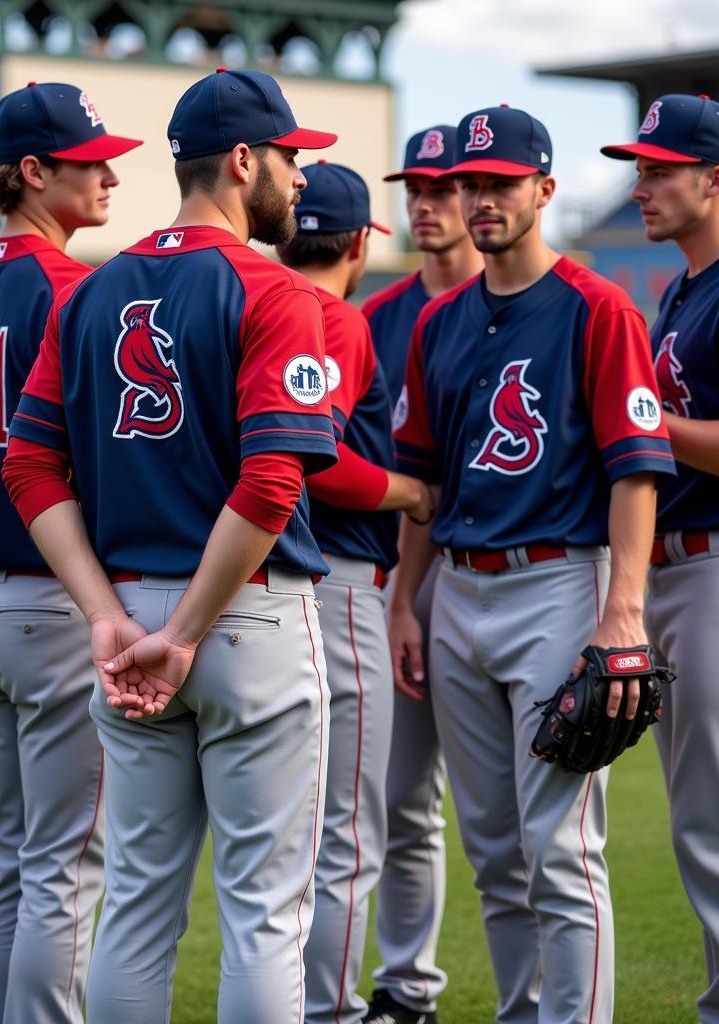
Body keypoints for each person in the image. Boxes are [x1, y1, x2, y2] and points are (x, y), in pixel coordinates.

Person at [3, 66, 339, 1024]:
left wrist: (108, 616)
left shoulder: (95, 289)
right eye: (288, 158)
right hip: (244, 613)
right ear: (243, 162)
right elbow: (275, 480)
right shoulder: (273, 288)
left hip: (129, 614)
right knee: (265, 915)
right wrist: (185, 632)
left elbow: (28, 469)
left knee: (139, 902)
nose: (300, 179)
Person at [392, 105, 675, 1024]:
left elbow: (636, 470)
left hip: (558, 583)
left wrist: (622, 612)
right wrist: (406, 600)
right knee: (495, 852)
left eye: (499, 183)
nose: (479, 200)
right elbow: (425, 482)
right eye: (468, 184)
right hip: (457, 590)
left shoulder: (597, 309)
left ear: (543, 191)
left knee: (560, 851)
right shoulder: (439, 324)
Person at [0, 81, 141, 1024]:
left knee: (11, 854)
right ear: (34, 172)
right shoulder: (79, 290)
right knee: (64, 863)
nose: (111, 175)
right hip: (57, 600)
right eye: (90, 161)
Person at [273, 160, 433, 1024]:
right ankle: (328, 1012)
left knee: (278, 840)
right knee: (343, 836)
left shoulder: (251, 303)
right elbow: (316, 455)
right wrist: (409, 493)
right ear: (365, 239)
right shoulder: (333, 315)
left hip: (248, 582)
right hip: (332, 585)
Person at [359, 124, 483, 1024]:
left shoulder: (538, 300)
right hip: (400, 575)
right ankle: (407, 987)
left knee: (517, 823)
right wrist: (399, 592)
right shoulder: (379, 317)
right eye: (416, 189)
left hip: (507, 572)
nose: (426, 205)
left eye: (442, 189)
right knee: (400, 798)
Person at [602, 92, 719, 1024]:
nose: (638, 185)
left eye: (657, 169)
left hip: (715, 563)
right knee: (700, 821)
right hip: (680, 568)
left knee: (714, 820)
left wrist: (641, 426)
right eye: (637, 168)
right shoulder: (680, 288)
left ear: (713, 178)